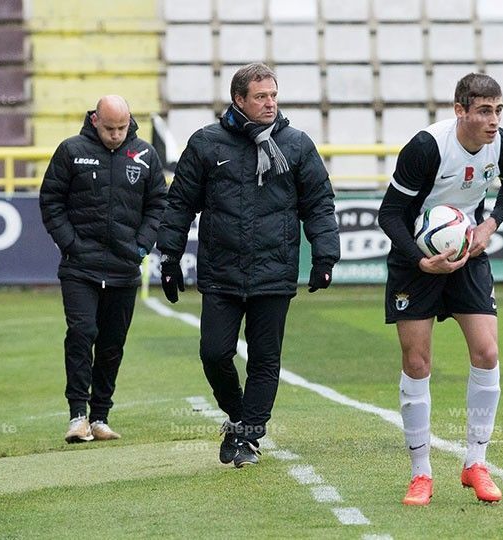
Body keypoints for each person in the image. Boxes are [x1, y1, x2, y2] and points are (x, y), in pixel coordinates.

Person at [157, 63, 340, 468]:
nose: (270, 103)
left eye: (274, 95)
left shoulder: (296, 145)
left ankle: (247, 437)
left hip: (274, 272)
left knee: (264, 360)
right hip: (221, 271)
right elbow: (180, 203)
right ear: (239, 100)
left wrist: (325, 256)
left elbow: (319, 204)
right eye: (261, 97)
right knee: (214, 354)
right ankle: (238, 418)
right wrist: (169, 257)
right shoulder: (206, 143)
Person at [378, 73, 503, 505]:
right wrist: (420, 259)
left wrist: (490, 223)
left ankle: (476, 463)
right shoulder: (427, 147)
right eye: (483, 110)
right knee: (418, 361)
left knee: (487, 352)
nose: (493, 120)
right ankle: (420, 473)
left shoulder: (502, 143)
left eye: (498, 110)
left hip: (468, 257)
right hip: (415, 261)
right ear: (460, 110)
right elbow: (389, 213)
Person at [40, 95, 167, 443]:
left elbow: (158, 204)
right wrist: (71, 244)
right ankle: (77, 416)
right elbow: (51, 200)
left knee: (112, 344)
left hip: (124, 268)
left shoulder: (145, 154)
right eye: (109, 128)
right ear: (95, 120)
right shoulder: (70, 151)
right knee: (82, 333)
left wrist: (141, 245)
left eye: (121, 128)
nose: (115, 134)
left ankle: (100, 417)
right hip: (80, 268)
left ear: (130, 122)